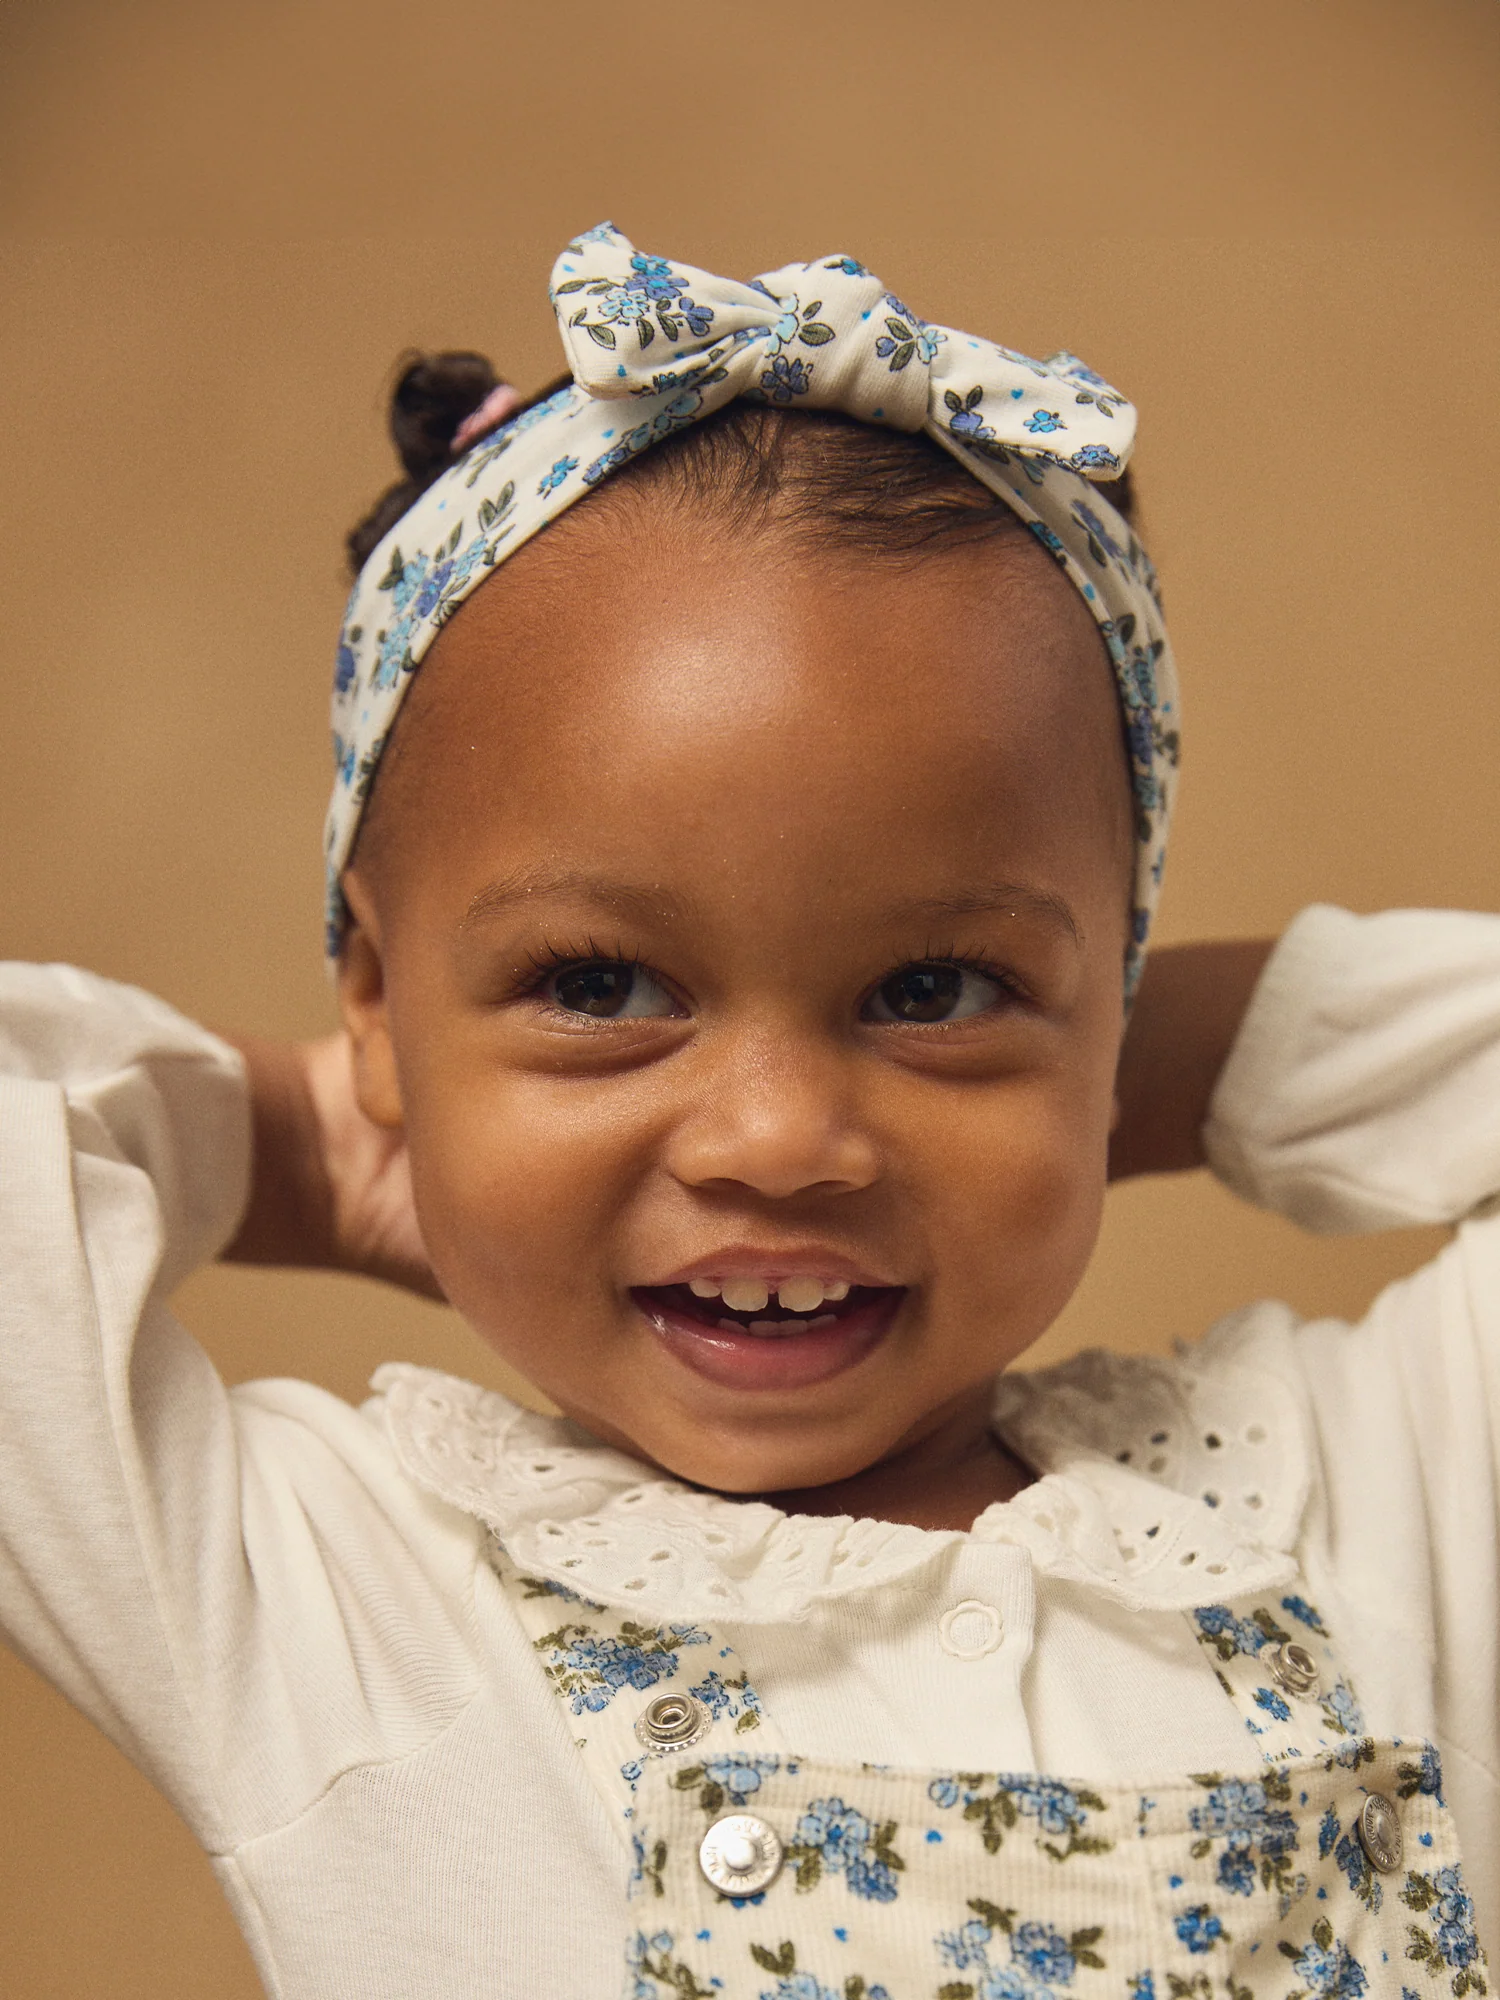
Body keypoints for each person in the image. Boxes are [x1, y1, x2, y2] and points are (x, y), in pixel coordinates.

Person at [1, 224, 1494, 1998]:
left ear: (1121, 1000)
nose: (777, 1139)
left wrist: (1086, 1072)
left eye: (932, 988)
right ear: (380, 1002)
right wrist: (356, 1136)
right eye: (601, 986)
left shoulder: (1352, 1498)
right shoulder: (335, 1600)